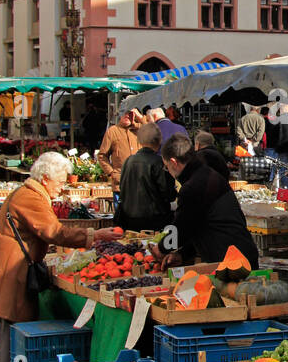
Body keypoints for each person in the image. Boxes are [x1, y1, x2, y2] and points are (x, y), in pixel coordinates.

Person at [0, 151, 114, 362]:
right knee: (12, 324)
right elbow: (54, 232)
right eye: (60, 182)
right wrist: (93, 236)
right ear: (46, 178)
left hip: (10, 265)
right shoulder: (31, 198)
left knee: (7, 324)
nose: (61, 188)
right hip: (11, 268)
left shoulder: (29, 193)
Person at [161, 134, 258, 267]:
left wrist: (160, 248)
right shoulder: (207, 174)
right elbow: (198, 225)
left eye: (166, 167)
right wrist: (183, 254)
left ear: (173, 162)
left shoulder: (193, 186)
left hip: (230, 261)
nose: (168, 171)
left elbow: (182, 228)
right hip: (240, 252)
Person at [117, 123, 177, 232]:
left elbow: (122, 186)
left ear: (139, 140)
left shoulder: (129, 160)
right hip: (154, 220)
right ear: (159, 140)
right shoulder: (159, 162)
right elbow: (167, 192)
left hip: (129, 217)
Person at [97, 110, 140, 188]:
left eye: (130, 114)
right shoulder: (112, 131)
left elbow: (153, 129)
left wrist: (139, 120)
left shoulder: (140, 130)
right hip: (120, 182)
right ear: (120, 115)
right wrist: (111, 173)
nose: (127, 116)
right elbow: (102, 156)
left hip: (139, 182)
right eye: (125, 114)